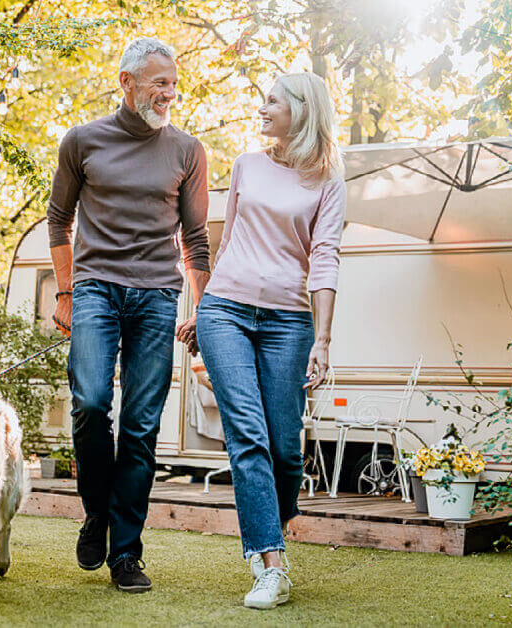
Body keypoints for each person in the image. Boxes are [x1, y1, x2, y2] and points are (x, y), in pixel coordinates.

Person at [46, 37, 211, 593]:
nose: (169, 92)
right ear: (127, 82)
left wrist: (204, 308)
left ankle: (126, 553)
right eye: (159, 82)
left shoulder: (188, 150)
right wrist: (66, 293)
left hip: (157, 298)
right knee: (91, 402)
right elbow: (58, 220)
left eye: (173, 83)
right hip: (94, 290)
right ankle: (97, 512)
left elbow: (195, 238)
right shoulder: (83, 141)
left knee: (141, 428)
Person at [176, 72, 344, 610]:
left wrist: (323, 338)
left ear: (302, 110)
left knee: (283, 449)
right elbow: (229, 245)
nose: (263, 107)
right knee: (246, 435)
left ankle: (275, 511)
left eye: (273, 100)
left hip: (289, 322)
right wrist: (202, 313)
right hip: (225, 310)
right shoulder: (247, 164)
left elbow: (324, 257)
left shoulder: (328, 181)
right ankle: (270, 562)